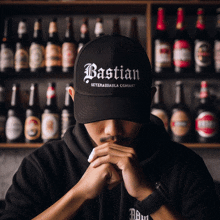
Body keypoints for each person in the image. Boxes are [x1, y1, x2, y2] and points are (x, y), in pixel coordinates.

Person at [1, 35, 220, 220]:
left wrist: (148, 195)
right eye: (99, 114)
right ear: (73, 99)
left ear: (149, 100)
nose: (112, 130)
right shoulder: (43, 166)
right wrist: (79, 194)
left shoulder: (185, 167)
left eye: (126, 113)